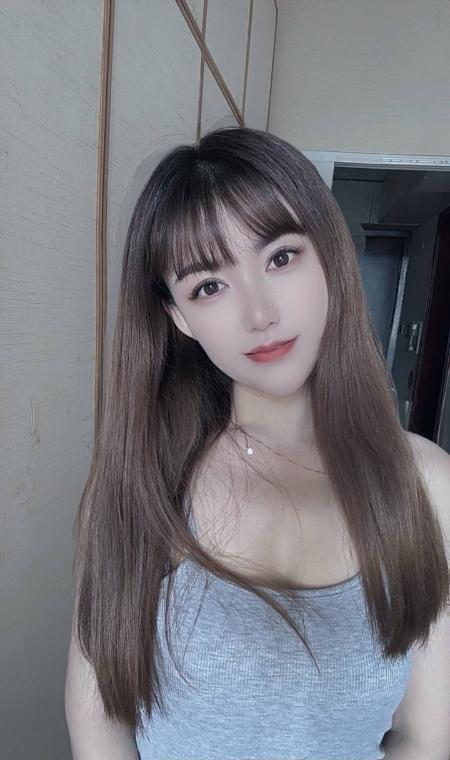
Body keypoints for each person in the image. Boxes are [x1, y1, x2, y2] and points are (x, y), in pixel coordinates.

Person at [65, 126, 449, 760]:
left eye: (281, 257)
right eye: (208, 286)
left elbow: (425, 735)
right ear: (179, 318)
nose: (259, 313)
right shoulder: (141, 488)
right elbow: (99, 722)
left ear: (329, 258)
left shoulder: (427, 484)